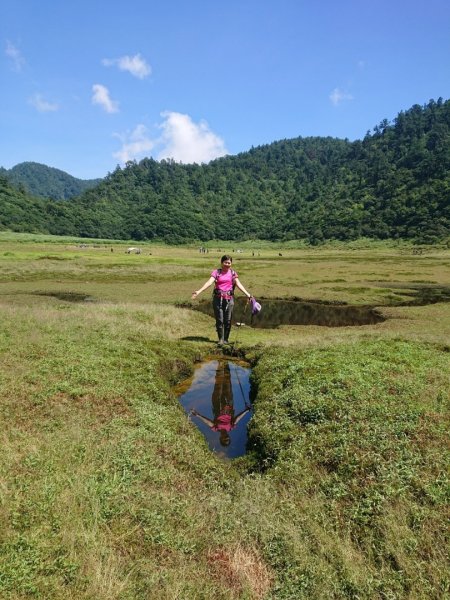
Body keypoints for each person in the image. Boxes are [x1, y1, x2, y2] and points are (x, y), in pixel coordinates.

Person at [191, 255, 252, 345]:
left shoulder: (233, 273)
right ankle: (220, 339)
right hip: (217, 299)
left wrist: (248, 294)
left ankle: (226, 339)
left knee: (227, 320)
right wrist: (199, 291)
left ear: (231, 263)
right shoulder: (216, 272)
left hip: (229, 300)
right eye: (225, 262)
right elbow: (209, 282)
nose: (227, 264)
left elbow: (239, 284)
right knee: (220, 319)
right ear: (221, 263)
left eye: (229, 263)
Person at [190, 361, 251, 447]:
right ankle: (226, 365)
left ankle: (219, 364)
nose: (226, 437)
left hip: (217, 403)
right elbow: (237, 419)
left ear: (220, 438)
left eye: (224, 439)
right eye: (228, 438)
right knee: (227, 384)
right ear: (229, 437)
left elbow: (208, 422)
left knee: (218, 385)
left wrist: (197, 415)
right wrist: (246, 411)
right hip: (229, 403)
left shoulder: (216, 428)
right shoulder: (230, 427)